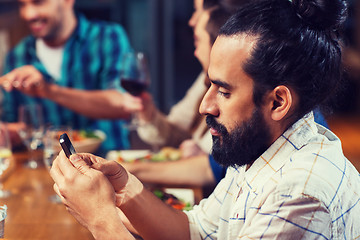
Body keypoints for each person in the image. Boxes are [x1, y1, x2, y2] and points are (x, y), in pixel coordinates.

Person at [50, 0, 360, 239]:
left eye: (223, 91)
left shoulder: (298, 196)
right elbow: (195, 231)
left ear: (278, 101)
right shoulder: (261, 147)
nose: (204, 105)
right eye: (209, 84)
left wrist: (101, 220)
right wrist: (124, 187)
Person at [0, 0, 135, 154]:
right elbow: (14, 123)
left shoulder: (108, 37)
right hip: (46, 169)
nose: (29, 14)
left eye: (39, 2)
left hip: (108, 166)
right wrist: (10, 132)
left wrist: (49, 90)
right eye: (22, 5)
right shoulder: (16, 57)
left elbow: (124, 105)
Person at [122, 2, 232, 188]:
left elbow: (212, 168)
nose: (191, 21)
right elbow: (175, 130)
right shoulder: (204, 78)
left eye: (197, 11)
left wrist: (127, 170)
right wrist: (148, 115)